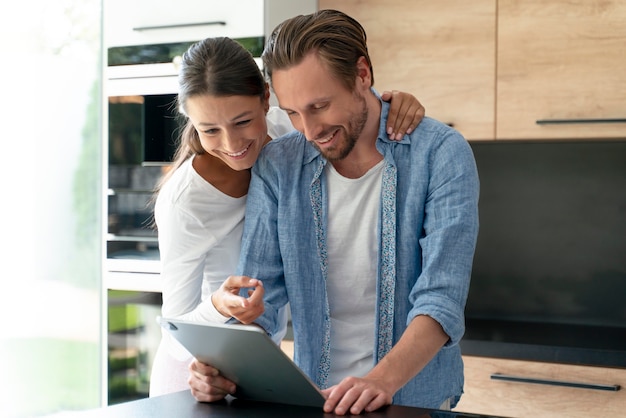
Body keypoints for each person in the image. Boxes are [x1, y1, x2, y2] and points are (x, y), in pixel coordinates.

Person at [187, 9, 479, 415]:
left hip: (412, 400)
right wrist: (223, 367)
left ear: (362, 74)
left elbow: (441, 299)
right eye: (291, 113)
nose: (308, 130)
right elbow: (260, 296)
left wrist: (380, 380)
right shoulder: (278, 164)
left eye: (320, 106)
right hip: (313, 401)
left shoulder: (440, 154)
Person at [148, 35, 427, 397]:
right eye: (210, 130)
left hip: (255, 365)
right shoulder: (185, 203)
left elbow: (352, 110)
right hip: (195, 376)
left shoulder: (288, 130)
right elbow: (174, 333)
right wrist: (218, 306)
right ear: (190, 120)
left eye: (243, 121)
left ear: (267, 99)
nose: (232, 144)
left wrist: (397, 104)